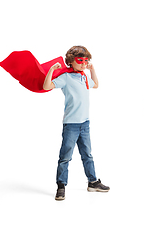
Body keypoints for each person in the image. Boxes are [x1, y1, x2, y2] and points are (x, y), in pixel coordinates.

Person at [43, 46, 110, 201]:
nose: (83, 63)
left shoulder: (84, 76)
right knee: (65, 157)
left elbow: (96, 84)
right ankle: (61, 186)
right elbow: (46, 86)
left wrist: (92, 70)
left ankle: (92, 182)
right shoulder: (66, 77)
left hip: (85, 124)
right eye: (80, 61)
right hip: (71, 125)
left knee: (87, 154)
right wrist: (52, 70)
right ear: (71, 62)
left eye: (86, 61)